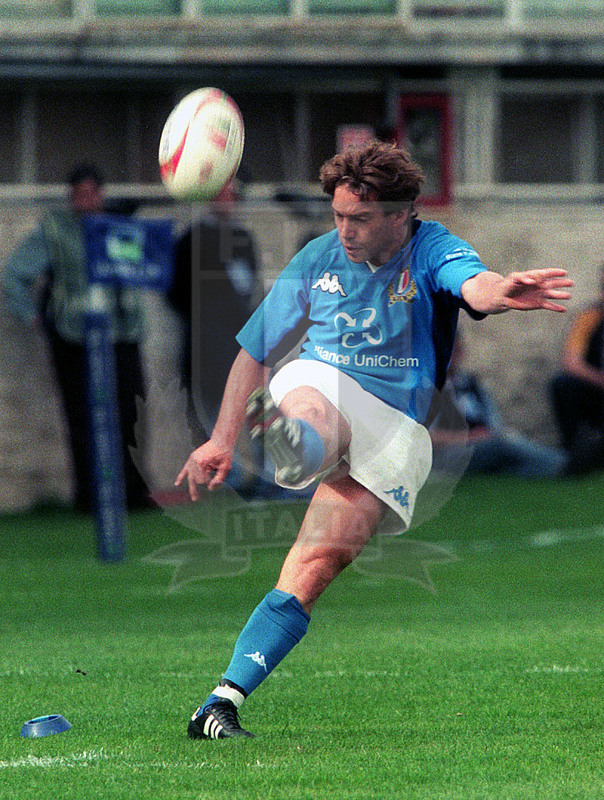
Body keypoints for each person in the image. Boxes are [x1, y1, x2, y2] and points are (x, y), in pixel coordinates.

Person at [175, 141, 572, 740]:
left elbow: (473, 283)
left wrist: (501, 291)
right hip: (320, 382)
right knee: (313, 406)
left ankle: (218, 704)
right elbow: (254, 351)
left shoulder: (431, 247)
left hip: (395, 429)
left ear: (400, 213)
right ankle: (288, 435)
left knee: (315, 566)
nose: (345, 231)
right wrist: (223, 439)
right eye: (337, 216)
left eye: (359, 219)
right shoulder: (317, 258)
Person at [1, 163, 149, 512]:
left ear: (102, 194)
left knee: (131, 411)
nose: (87, 200)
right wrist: (33, 315)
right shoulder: (54, 229)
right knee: (83, 417)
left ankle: (133, 493)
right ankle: (90, 496)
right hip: (74, 337)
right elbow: (12, 276)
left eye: (93, 193)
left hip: (122, 332)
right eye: (79, 194)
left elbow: (143, 266)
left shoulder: (118, 227)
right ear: (71, 198)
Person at [430, 336, 567, 478]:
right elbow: (425, 437)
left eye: (454, 349)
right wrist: (468, 437)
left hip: (482, 444)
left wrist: (494, 433)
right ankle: (565, 464)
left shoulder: (468, 383)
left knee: (510, 450)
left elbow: (492, 418)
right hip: (448, 451)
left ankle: (559, 466)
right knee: (501, 446)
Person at [550, 263, 604, 474]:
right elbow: (572, 363)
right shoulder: (591, 317)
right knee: (563, 385)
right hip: (598, 393)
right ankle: (574, 457)